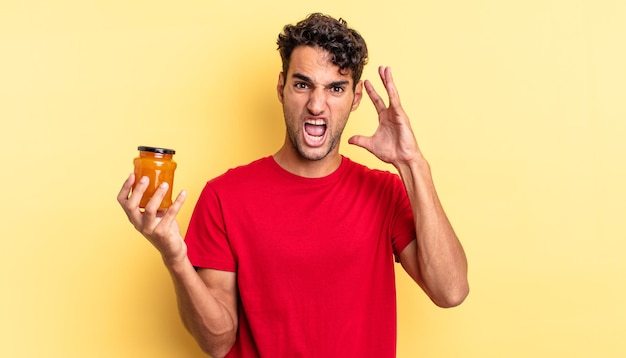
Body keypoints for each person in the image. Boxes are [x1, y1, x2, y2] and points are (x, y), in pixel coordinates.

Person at [118, 13, 468, 358]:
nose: (317, 105)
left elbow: (450, 291)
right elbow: (218, 342)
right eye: (303, 84)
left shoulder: (385, 193)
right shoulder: (224, 196)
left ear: (355, 98)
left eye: (335, 88)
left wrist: (412, 163)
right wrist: (175, 258)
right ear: (281, 87)